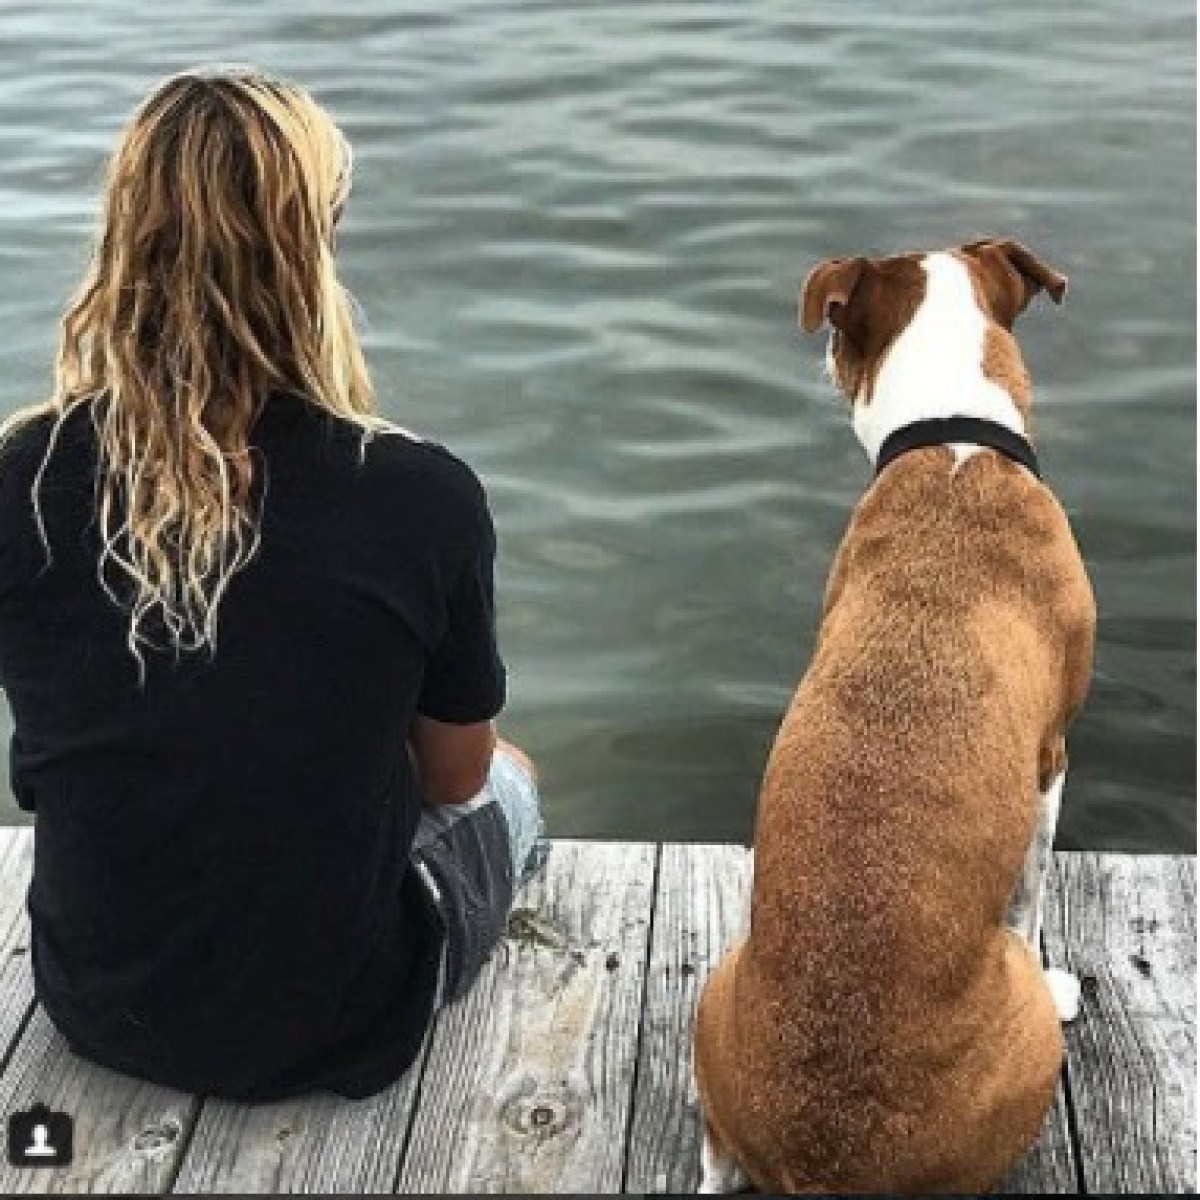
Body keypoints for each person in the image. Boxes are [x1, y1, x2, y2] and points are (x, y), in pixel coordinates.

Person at [0, 66, 544, 1101]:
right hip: (346, 1023)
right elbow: (454, 778)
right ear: (313, 249)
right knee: (511, 778)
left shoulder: (18, 480)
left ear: (124, 239)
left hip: (97, 1002)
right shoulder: (420, 496)